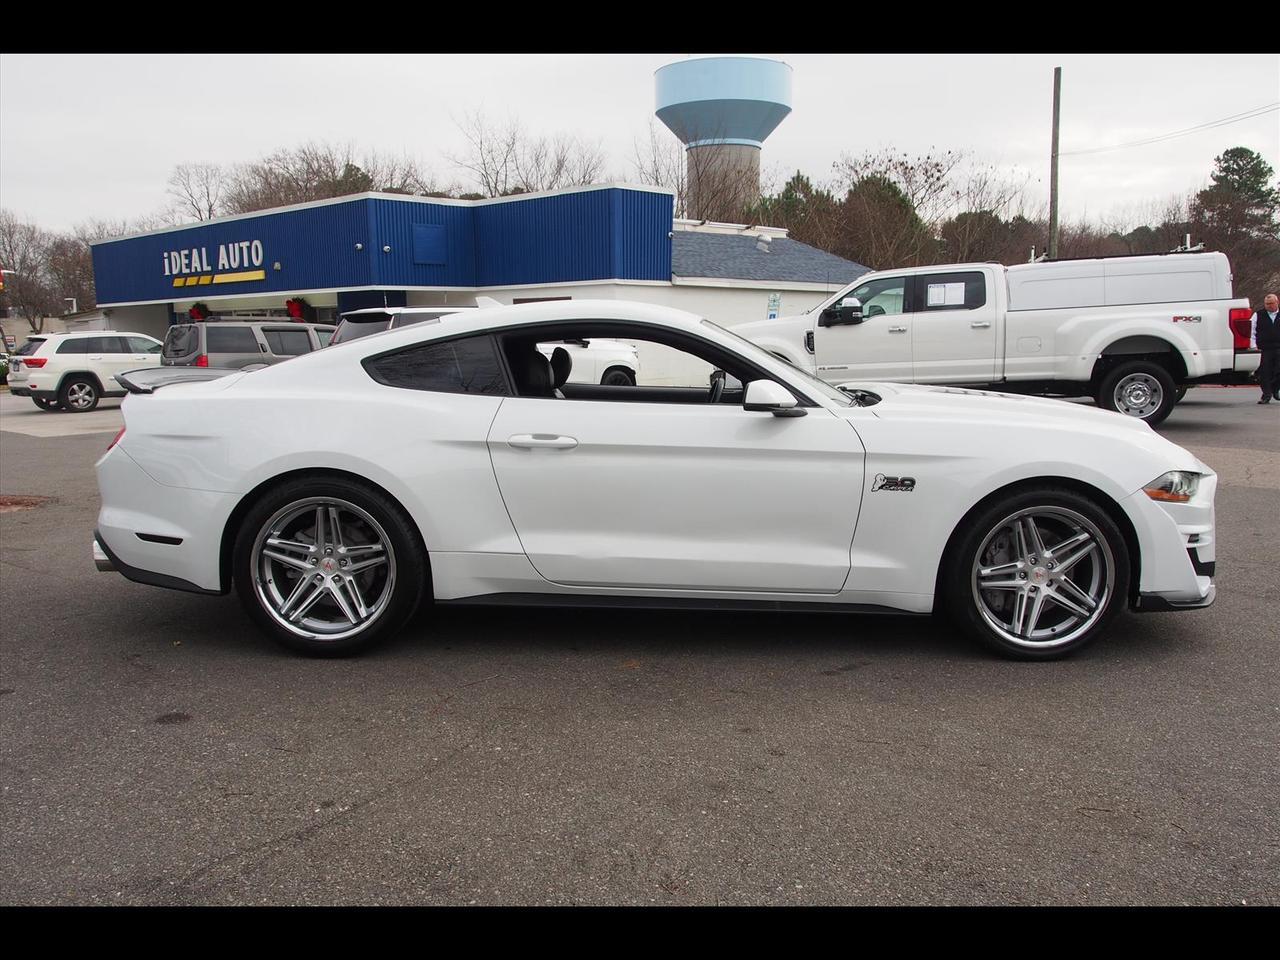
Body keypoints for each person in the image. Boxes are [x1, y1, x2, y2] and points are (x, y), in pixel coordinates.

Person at [1253, 293, 1280, 404]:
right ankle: (1266, 395)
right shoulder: (1258, 315)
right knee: (1264, 372)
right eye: (1267, 304)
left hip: (1279, 347)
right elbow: (1252, 331)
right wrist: (1253, 346)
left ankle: (1275, 389)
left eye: (1271, 303)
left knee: (1278, 371)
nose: (1269, 306)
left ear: (1277, 302)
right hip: (1264, 348)